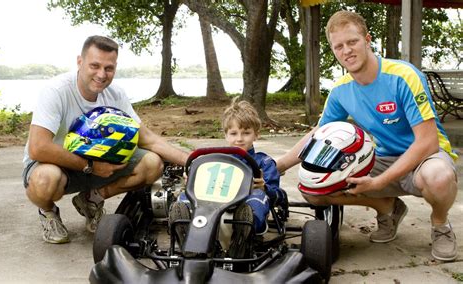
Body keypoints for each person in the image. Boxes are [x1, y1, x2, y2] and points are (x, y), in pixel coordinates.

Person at [276, 11, 458, 261]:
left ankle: (440, 225)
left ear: (367, 40)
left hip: (425, 158)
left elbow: (427, 143)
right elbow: (318, 134)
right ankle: (388, 208)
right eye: (338, 46)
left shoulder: (404, 76)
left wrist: (379, 183)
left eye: (352, 42)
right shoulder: (341, 91)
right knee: (312, 189)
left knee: (439, 178)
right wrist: (279, 165)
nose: (346, 51)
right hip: (383, 158)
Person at [22, 35, 189, 244]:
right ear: (79, 62)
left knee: (152, 163)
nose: (102, 74)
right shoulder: (56, 91)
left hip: (99, 160)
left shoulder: (115, 93)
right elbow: (38, 148)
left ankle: (91, 199)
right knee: (45, 180)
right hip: (54, 163)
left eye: (109, 68)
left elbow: (147, 139)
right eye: (95, 65)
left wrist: (192, 160)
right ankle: (48, 212)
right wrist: (91, 166)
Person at [169, 98, 285, 258]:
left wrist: (264, 187)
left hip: (243, 204)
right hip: (211, 201)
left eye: (246, 133)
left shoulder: (263, 162)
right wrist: (192, 180)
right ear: (226, 135)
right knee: (183, 198)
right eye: (233, 133)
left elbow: (277, 196)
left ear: (256, 135)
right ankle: (189, 242)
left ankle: (242, 240)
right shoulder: (213, 160)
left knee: (258, 198)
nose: (239, 138)